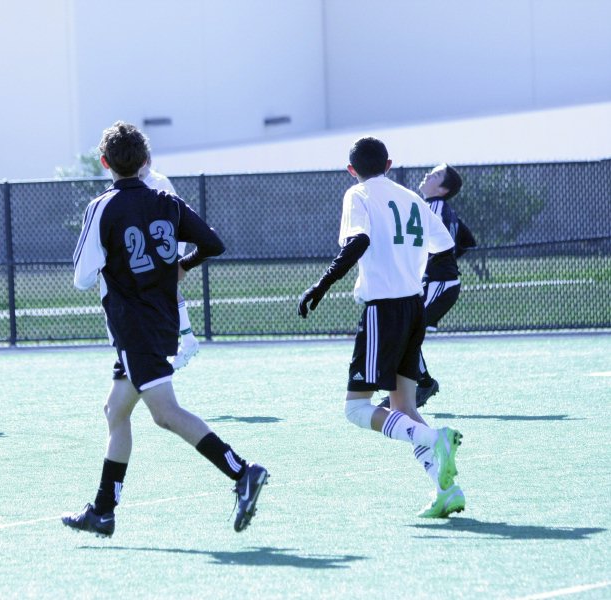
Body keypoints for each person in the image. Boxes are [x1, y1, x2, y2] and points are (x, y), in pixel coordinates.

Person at [65, 121, 268, 537]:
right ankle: (103, 511)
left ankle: (242, 471)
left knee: (166, 414)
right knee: (115, 410)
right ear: (146, 161)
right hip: (160, 321)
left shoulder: (102, 206)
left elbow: (82, 278)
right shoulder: (167, 200)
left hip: (133, 327)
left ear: (105, 163)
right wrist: (181, 266)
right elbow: (212, 243)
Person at [297, 137, 465, 518]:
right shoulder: (411, 197)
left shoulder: (357, 194)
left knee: (356, 409)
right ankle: (447, 488)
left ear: (350, 170)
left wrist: (320, 285)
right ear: (389, 164)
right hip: (414, 308)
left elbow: (359, 239)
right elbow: (443, 245)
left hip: (384, 311)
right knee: (403, 406)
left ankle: (434, 438)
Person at [411, 164, 477, 406]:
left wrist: (437, 265)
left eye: (435, 175)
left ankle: (421, 385)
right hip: (439, 281)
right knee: (406, 332)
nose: (428, 175)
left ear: (442, 189)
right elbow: (468, 241)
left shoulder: (435, 207)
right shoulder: (440, 208)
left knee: (406, 331)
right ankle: (416, 386)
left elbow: (437, 243)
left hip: (440, 283)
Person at [138, 154, 200, 369]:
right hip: (147, 247)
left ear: (145, 161)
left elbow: (175, 219)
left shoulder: (158, 182)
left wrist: (174, 255)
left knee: (166, 289)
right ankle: (184, 339)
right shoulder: (134, 181)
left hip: (163, 246)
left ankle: (187, 339)